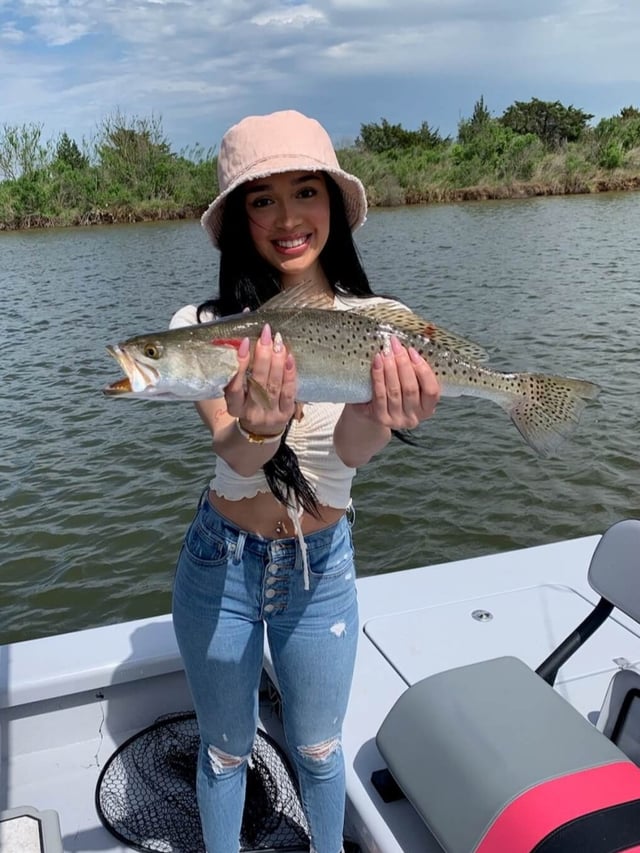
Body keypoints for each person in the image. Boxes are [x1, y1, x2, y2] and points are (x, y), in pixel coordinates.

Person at [171, 109, 440, 853]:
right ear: (237, 220)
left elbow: (348, 453)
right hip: (217, 563)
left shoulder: (384, 325)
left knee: (319, 751)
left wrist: (382, 414)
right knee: (225, 750)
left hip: (321, 568)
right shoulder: (205, 326)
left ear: (334, 203)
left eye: (305, 192)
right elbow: (241, 455)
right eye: (261, 199)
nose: (287, 217)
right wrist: (262, 420)